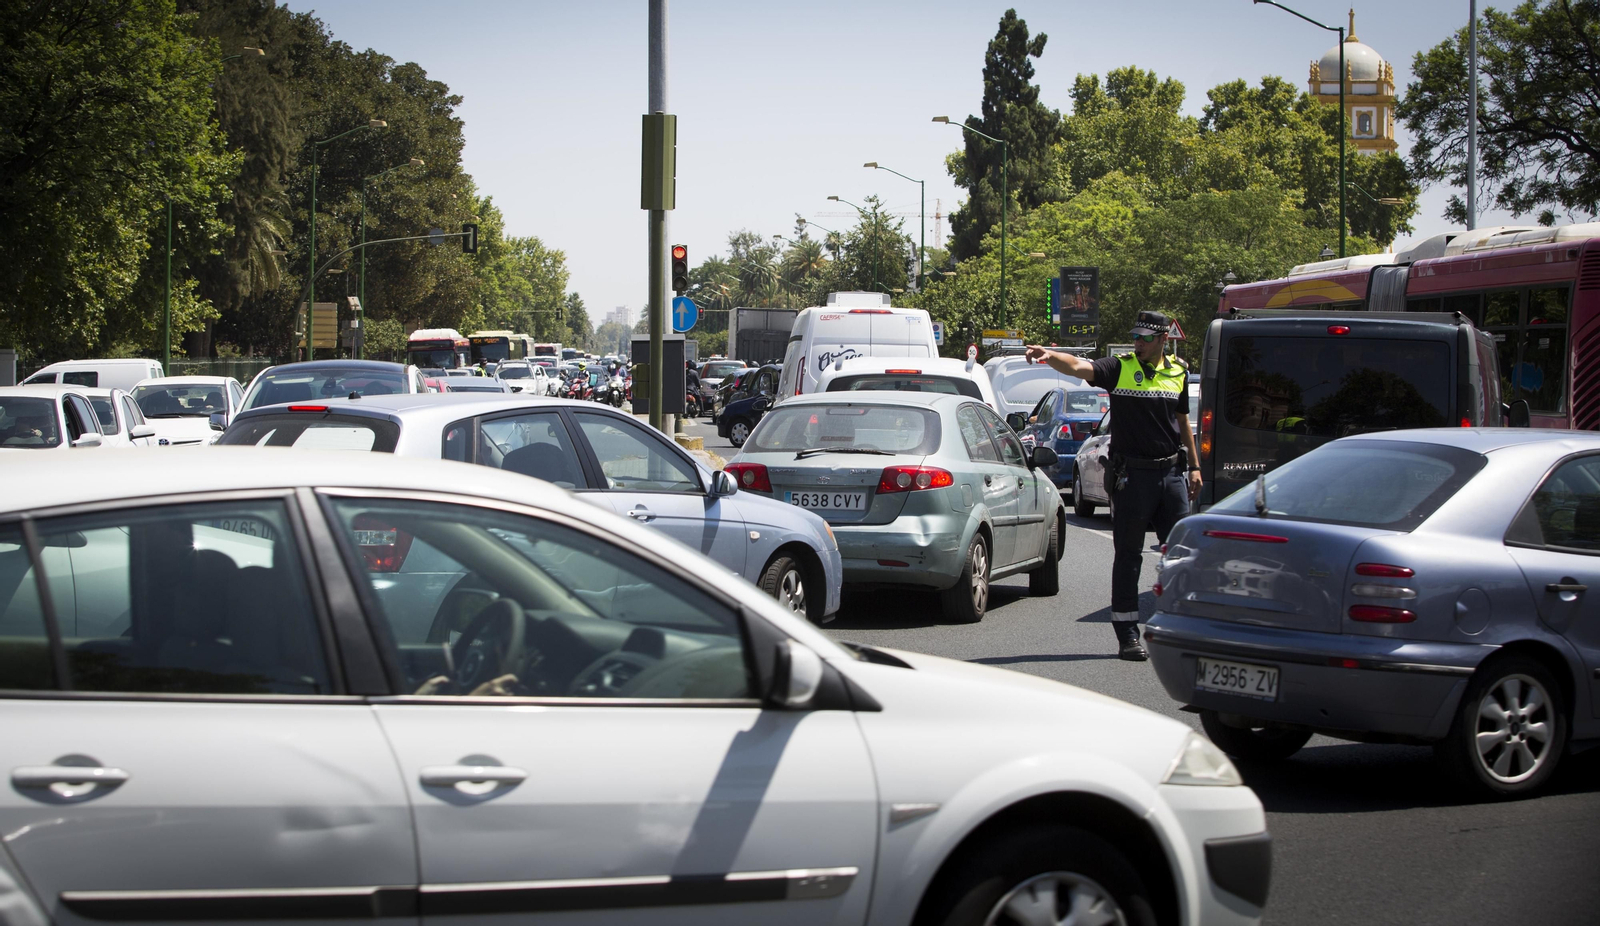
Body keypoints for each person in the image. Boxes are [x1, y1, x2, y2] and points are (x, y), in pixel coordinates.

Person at [1025, 310, 1201, 661]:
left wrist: (1194, 467)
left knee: (1183, 556)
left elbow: (1182, 422)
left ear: (1163, 339)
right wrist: (1049, 354)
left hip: (1170, 475)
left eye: (1145, 338)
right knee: (1129, 557)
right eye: (1135, 336)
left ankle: (1185, 628)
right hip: (1132, 477)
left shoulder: (1178, 373)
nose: (1138, 342)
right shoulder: (1121, 368)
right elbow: (1078, 367)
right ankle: (1128, 635)